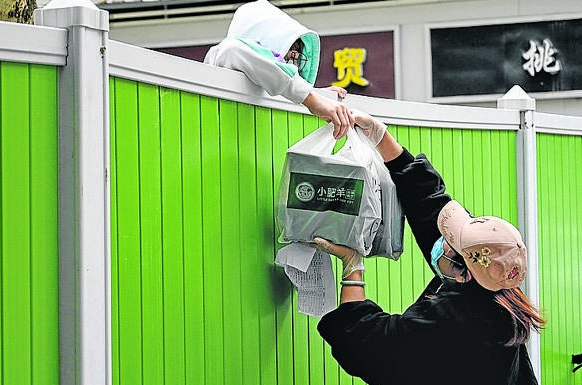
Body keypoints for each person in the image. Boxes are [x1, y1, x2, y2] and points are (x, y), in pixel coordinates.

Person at [310, 109, 546, 385]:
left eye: (450, 243)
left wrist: (353, 266)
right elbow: (429, 205)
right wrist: (379, 134)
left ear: (463, 271)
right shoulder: (498, 289)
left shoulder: (455, 323)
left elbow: (366, 344)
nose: (442, 241)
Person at [204, 0, 353, 139]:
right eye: (288, 56)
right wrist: (312, 99)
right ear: (264, 41)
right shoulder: (222, 55)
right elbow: (234, 50)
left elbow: (275, 79)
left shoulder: (268, 81)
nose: (293, 67)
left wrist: (318, 96)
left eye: (298, 59)